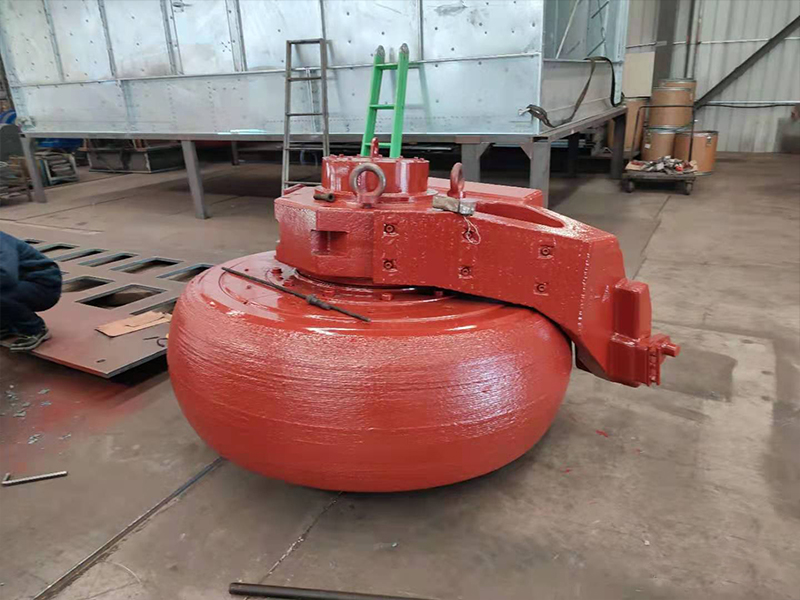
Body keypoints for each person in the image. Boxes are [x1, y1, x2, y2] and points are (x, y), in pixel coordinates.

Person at [0, 231, 62, 351]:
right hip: (20, 284)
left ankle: (35, 329)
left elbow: (7, 276)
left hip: (44, 288)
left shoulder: (2, 242)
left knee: (2, 295)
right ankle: (6, 326)